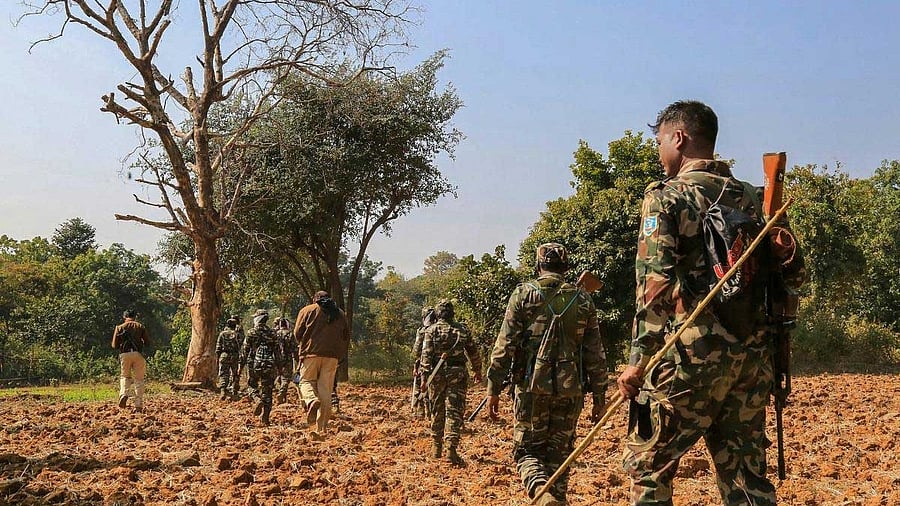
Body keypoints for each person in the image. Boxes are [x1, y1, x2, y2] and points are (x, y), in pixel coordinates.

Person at [616, 100, 805, 505]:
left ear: (679, 138)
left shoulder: (666, 197)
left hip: (690, 356)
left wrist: (638, 359)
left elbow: (654, 285)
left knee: (649, 467)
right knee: (746, 479)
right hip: (751, 360)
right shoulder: (756, 198)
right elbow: (793, 277)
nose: (659, 151)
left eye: (660, 141)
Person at [485, 243, 608, 505]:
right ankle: (554, 499)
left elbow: (504, 346)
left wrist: (493, 388)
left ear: (539, 265)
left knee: (527, 451)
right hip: (570, 390)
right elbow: (595, 353)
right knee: (560, 456)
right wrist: (599, 396)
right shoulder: (583, 299)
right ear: (566, 267)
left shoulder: (523, 294)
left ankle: (540, 490)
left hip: (531, 389)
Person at [420, 299, 481, 466]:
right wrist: (477, 370)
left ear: (437, 314)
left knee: (437, 409)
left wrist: (424, 378)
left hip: (437, 375)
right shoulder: (462, 330)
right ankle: (451, 450)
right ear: (453, 313)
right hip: (457, 374)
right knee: (454, 411)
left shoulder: (431, 330)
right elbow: (473, 351)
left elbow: (426, 356)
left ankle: (436, 447)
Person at [293, 291, 350, 438]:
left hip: (310, 354)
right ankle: (321, 428)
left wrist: (303, 345)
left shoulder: (307, 310)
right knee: (325, 390)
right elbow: (346, 336)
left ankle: (311, 400)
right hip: (332, 357)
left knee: (306, 381)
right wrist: (340, 354)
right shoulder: (340, 313)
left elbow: (297, 333)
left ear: (315, 299)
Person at [242, 309, 281, 425]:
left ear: (257, 319)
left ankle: (257, 399)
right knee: (267, 391)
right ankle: (265, 418)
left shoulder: (251, 332)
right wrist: (279, 368)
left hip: (254, 365)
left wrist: (240, 366)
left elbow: (245, 351)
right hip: (269, 365)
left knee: (252, 386)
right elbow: (277, 352)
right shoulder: (272, 333)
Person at [111, 309, 151, 412]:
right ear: (135, 317)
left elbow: (114, 345)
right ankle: (138, 404)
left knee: (125, 376)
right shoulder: (140, 326)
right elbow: (148, 343)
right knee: (139, 379)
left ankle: (123, 394)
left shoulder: (119, 327)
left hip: (124, 354)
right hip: (138, 354)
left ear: (124, 317)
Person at [411, 305, 435, 418]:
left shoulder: (422, 331)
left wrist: (416, 366)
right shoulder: (438, 329)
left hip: (424, 364)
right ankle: (430, 414)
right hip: (438, 366)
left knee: (420, 389)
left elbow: (416, 352)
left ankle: (419, 414)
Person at [216, 317, 242, 400]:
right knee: (235, 373)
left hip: (224, 355)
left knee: (223, 373)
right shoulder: (237, 334)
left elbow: (218, 347)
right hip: (234, 355)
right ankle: (235, 390)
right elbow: (239, 346)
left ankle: (223, 391)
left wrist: (218, 358)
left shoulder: (222, 334)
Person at [274, 317, 299, 405]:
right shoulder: (290, 334)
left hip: (276, 359)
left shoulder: (275, 334)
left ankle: (282, 397)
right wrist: (298, 360)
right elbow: (294, 349)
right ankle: (281, 392)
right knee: (286, 378)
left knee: (279, 376)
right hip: (287, 359)